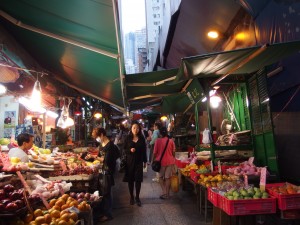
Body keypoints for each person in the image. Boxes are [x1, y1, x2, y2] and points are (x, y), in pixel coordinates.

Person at [85, 127, 120, 222]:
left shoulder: (110, 146)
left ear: (101, 135)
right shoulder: (102, 144)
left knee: (107, 193)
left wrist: (94, 156)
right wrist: (92, 158)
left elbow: (106, 160)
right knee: (104, 192)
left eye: (97, 137)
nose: (96, 139)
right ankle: (104, 212)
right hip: (103, 170)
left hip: (108, 171)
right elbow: (100, 157)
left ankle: (108, 215)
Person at [123, 121, 147, 207]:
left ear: (139, 129)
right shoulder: (127, 138)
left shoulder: (142, 138)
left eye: (137, 128)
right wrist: (129, 150)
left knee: (138, 180)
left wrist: (145, 161)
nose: (135, 129)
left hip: (139, 162)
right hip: (129, 162)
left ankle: (137, 197)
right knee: (130, 180)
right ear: (131, 129)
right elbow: (124, 150)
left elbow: (144, 151)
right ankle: (131, 197)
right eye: (134, 128)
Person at [153, 127, 176, 199]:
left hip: (161, 162)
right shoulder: (171, 141)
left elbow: (155, 153)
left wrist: (153, 160)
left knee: (160, 177)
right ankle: (167, 194)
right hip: (170, 161)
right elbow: (174, 152)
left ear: (160, 133)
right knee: (167, 178)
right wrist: (173, 158)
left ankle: (164, 192)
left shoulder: (157, 141)